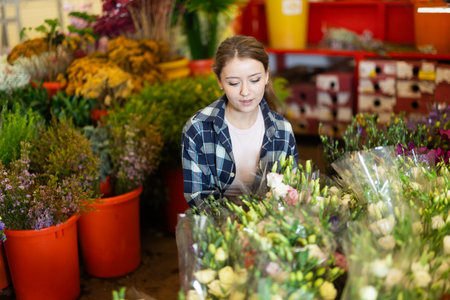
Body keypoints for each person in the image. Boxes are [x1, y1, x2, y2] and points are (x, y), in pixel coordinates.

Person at [181, 35, 298, 209]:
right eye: (234, 83)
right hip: (218, 231)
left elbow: (290, 191)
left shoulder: (282, 130)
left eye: (255, 80)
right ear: (220, 81)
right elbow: (198, 199)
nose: (245, 91)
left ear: (266, 75)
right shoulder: (198, 129)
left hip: (271, 227)